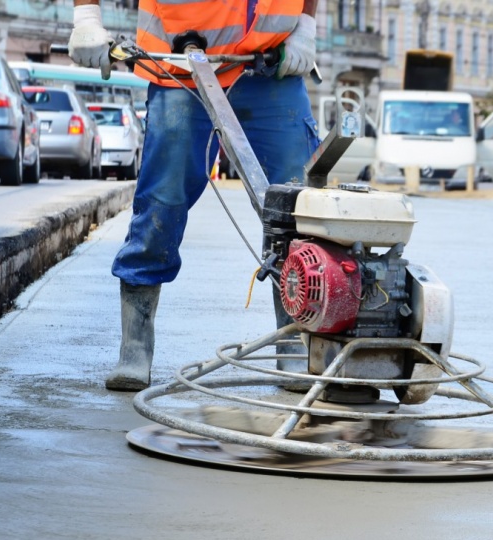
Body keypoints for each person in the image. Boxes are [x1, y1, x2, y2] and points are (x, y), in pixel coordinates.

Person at [68, 0, 320, 391]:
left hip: (270, 63)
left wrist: (305, 25)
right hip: (182, 67)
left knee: (300, 208)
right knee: (162, 204)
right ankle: (135, 345)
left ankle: (294, 340)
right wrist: (86, 17)